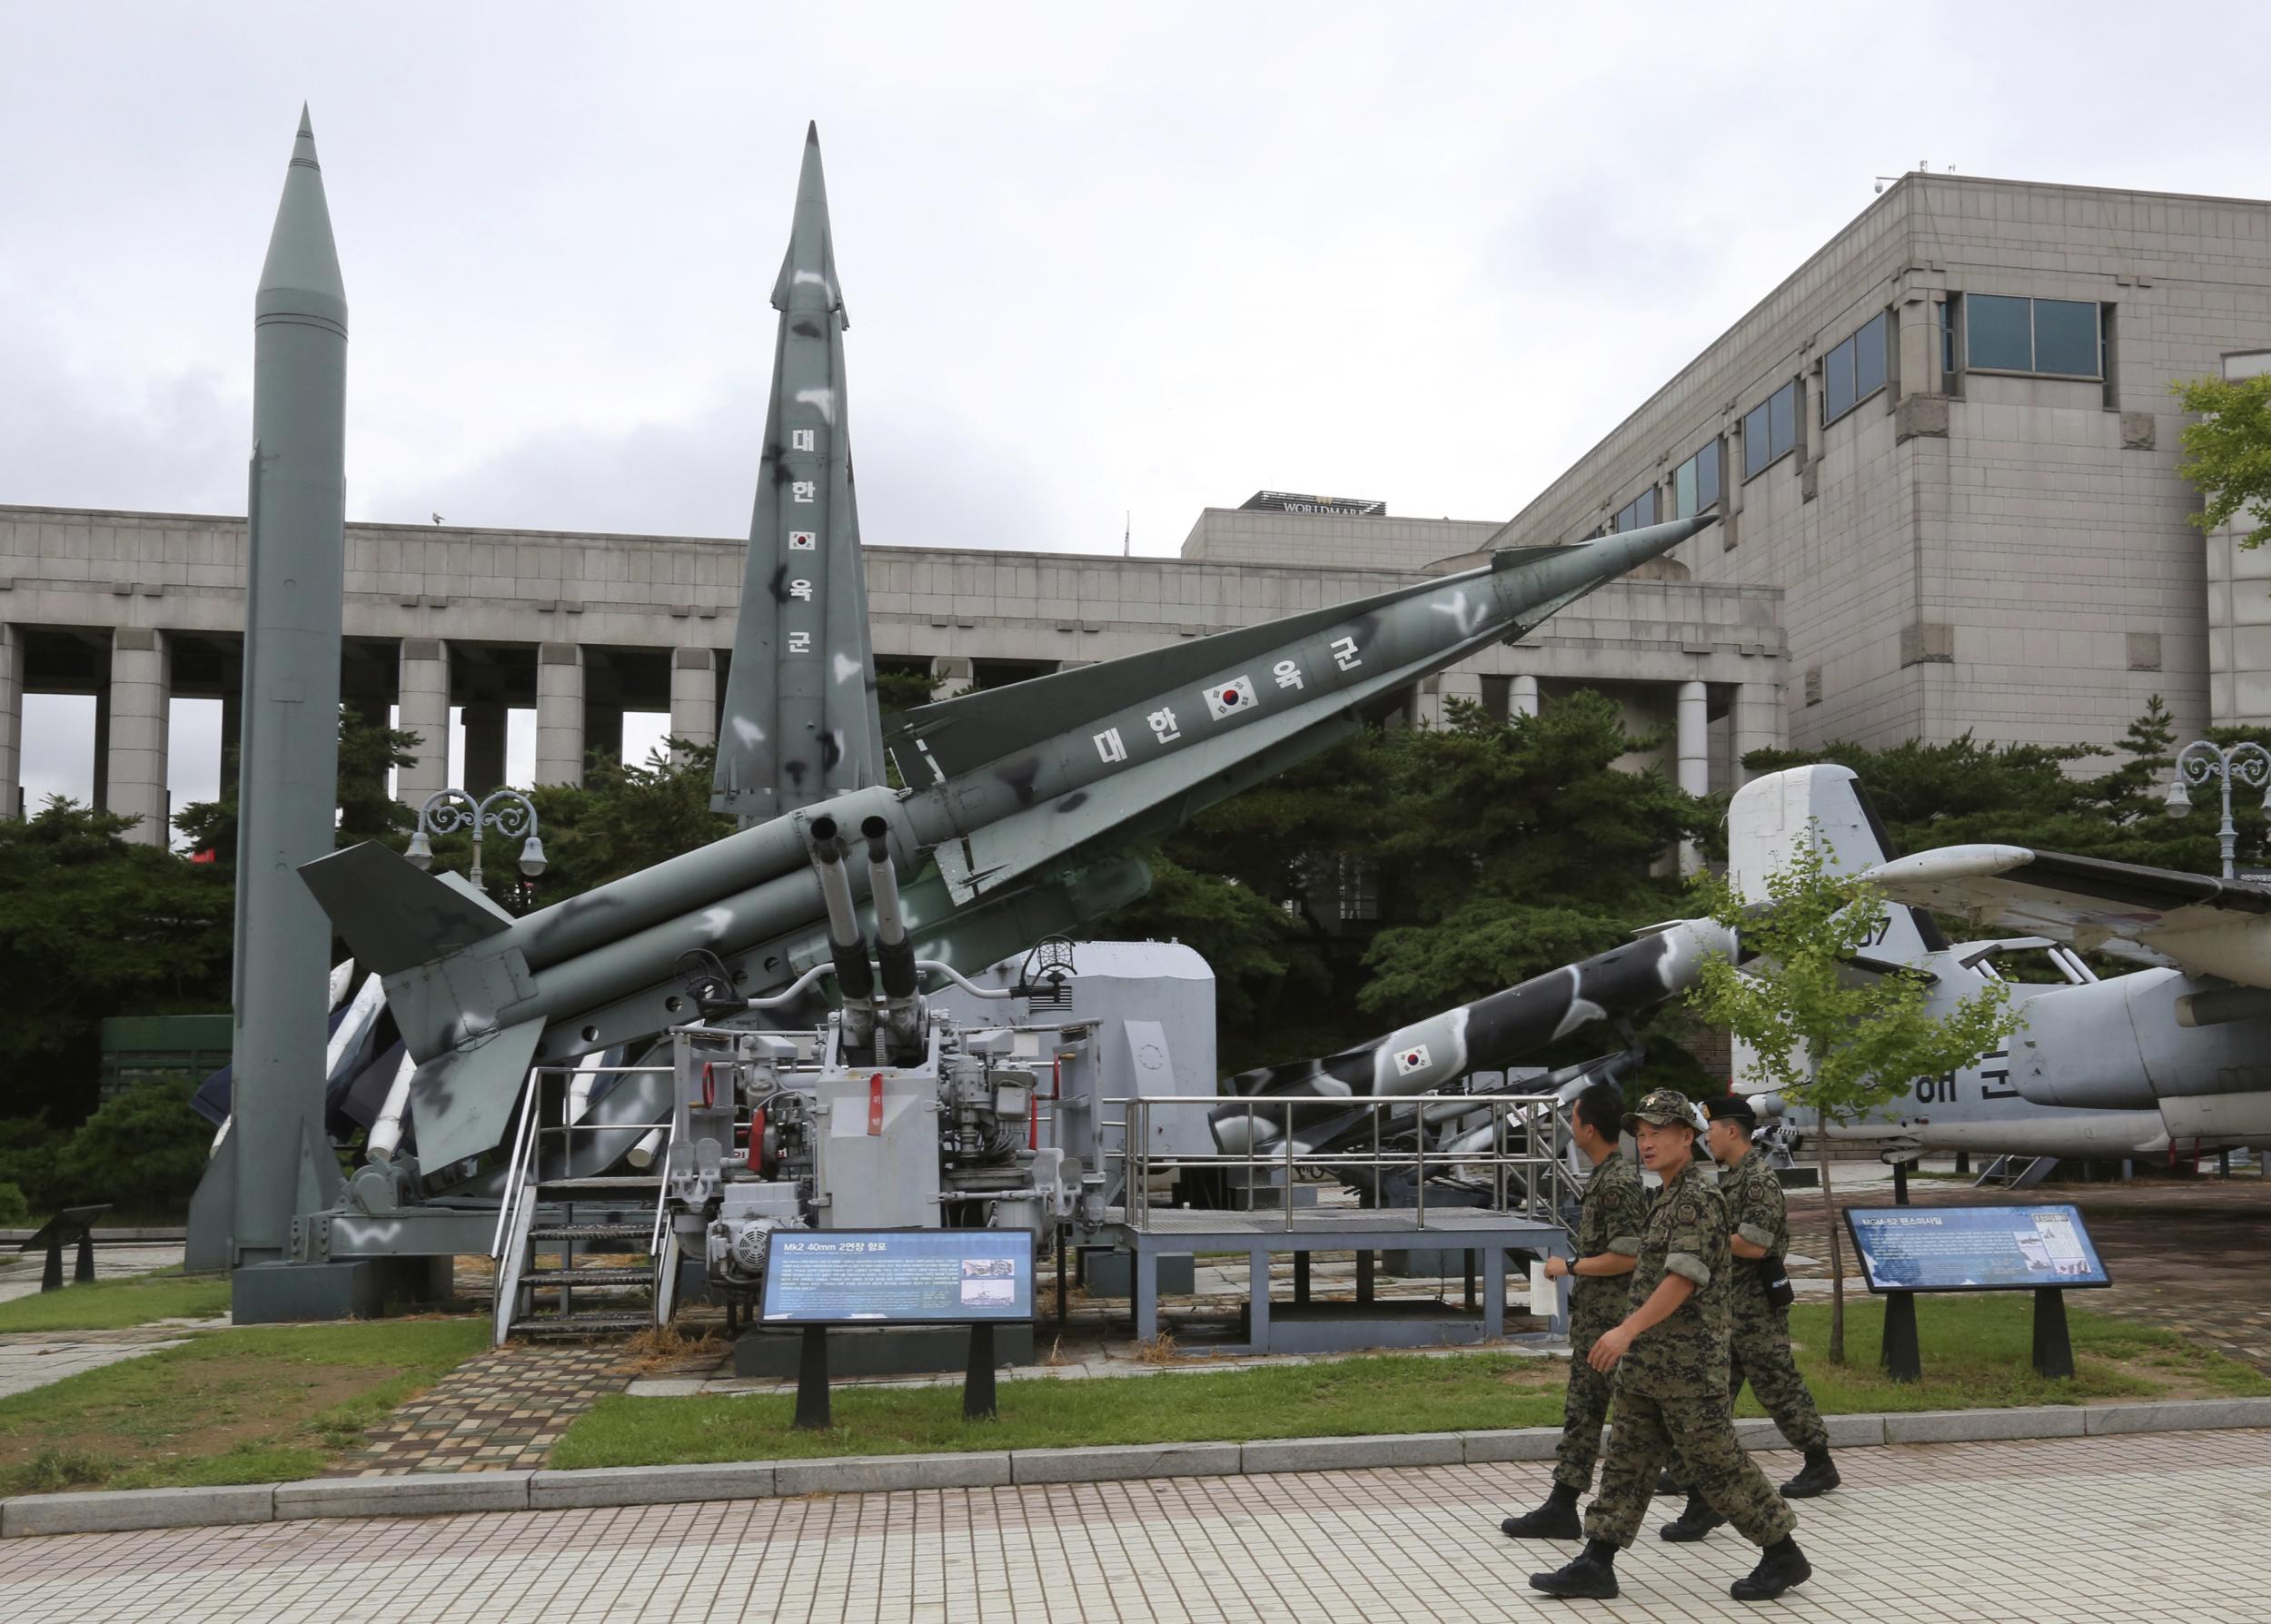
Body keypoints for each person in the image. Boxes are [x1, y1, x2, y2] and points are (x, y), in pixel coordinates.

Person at [1527, 1088, 1811, 1604]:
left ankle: (1782, 1552)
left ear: (1688, 1137)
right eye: (1641, 1133)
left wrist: (1624, 1329)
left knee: (1718, 1464)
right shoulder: (1665, 1196)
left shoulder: (1697, 1201)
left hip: (1686, 1367)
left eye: (1658, 1132)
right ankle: (1597, 1560)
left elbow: (1682, 1279)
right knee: (1627, 1464)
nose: (1647, 1142)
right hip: (1649, 1366)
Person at [1656, 1094, 1840, 1540]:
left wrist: (1702, 1238)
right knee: (1708, 1398)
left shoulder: (1757, 1181)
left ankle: (1820, 1463)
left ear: (1731, 1131)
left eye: (1710, 1129)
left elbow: (1754, 1245)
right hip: (1727, 1309)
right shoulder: (1732, 1178)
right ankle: (1691, 1479)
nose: (1706, 1138)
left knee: (1777, 1386)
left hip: (1754, 1310)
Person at [1500, 1081, 1646, 1539]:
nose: (1570, 1127)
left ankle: (1705, 1496)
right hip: (1596, 1320)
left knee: (1641, 1416)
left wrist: (1571, 1266)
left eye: (1573, 1118)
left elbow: (1629, 1254)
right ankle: (1561, 1506)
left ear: (1587, 1127)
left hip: (1612, 1322)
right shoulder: (1604, 1176)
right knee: (1585, 1411)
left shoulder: (1618, 1182)